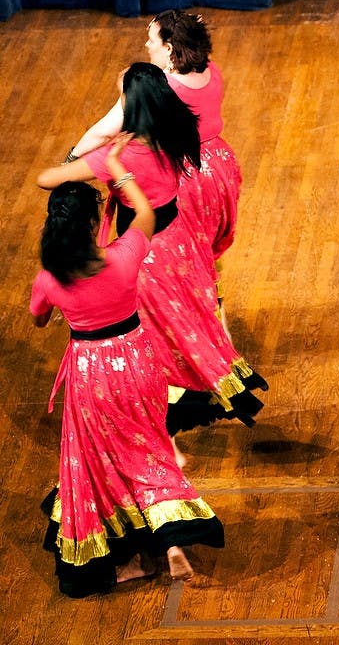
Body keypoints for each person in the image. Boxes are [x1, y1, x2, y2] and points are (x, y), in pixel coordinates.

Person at [31, 135, 224, 598]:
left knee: (102, 461)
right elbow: (146, 215)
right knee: (151, 448)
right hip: (138, 363)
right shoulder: (123, 257)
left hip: (90, 374)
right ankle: (170, 536)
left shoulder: (50, 278)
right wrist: (118, 167)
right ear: (94, 221)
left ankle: (136, 554)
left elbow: (38, 319)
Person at [37, 62, 267, 450]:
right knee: (187, 325)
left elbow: (48, 179)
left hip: (148, 256)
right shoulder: (178, 132)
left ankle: (163, 440)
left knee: (156, 344)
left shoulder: (119, 155)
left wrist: (105, 165)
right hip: (182, 240)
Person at [68, 10, 239, 287]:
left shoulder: (160, 90)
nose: (146, 45)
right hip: (218, 169)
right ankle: (215, 307)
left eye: (151, 40)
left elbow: (103, 132)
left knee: (178, 261)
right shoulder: (210, 68)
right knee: (205, 244)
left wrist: (72, 158)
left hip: (183, 175)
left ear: (169, 48)